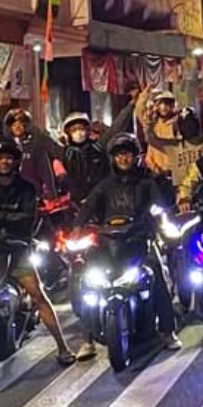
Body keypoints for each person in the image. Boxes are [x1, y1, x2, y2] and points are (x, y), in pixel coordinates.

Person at [0, 138, 77, 364]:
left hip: (18, 249)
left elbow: (28, 220)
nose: (5, 162)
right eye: (0, 158)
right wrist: (8, 218)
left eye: (9, 158)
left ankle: (62, 346)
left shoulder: (27, 188)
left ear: (17, 161)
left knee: (37, 294)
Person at [76, 132, 181, 356]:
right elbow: (88, 207)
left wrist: (163, 218)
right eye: (119, 155)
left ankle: (168, 331)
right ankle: (87, 338)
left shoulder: (147, 182)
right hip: (108, 244)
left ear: (136, 157)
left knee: (157, 275)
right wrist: (76, 228)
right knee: (86, 282)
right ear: (112, 158)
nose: (124, 158)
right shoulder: (104, 185)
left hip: (140, 240)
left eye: (128, 154)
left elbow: (162, 204)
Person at [0, 105, 62, 201]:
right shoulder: (5, 146)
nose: (17, 127)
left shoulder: (36, 144)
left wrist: (52, 195)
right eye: (14, 125)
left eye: (20, 124)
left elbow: (46, 172)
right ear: (9, 127)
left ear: (26, 125)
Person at [59, 111, 111, 206]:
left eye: (81, 128)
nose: (78, 133)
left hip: (99, 197)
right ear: (68, 133)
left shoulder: (97, 149)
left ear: (87, 130)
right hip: (75, 201)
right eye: (74, 130)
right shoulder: (66, 153)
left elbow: (106, 172)